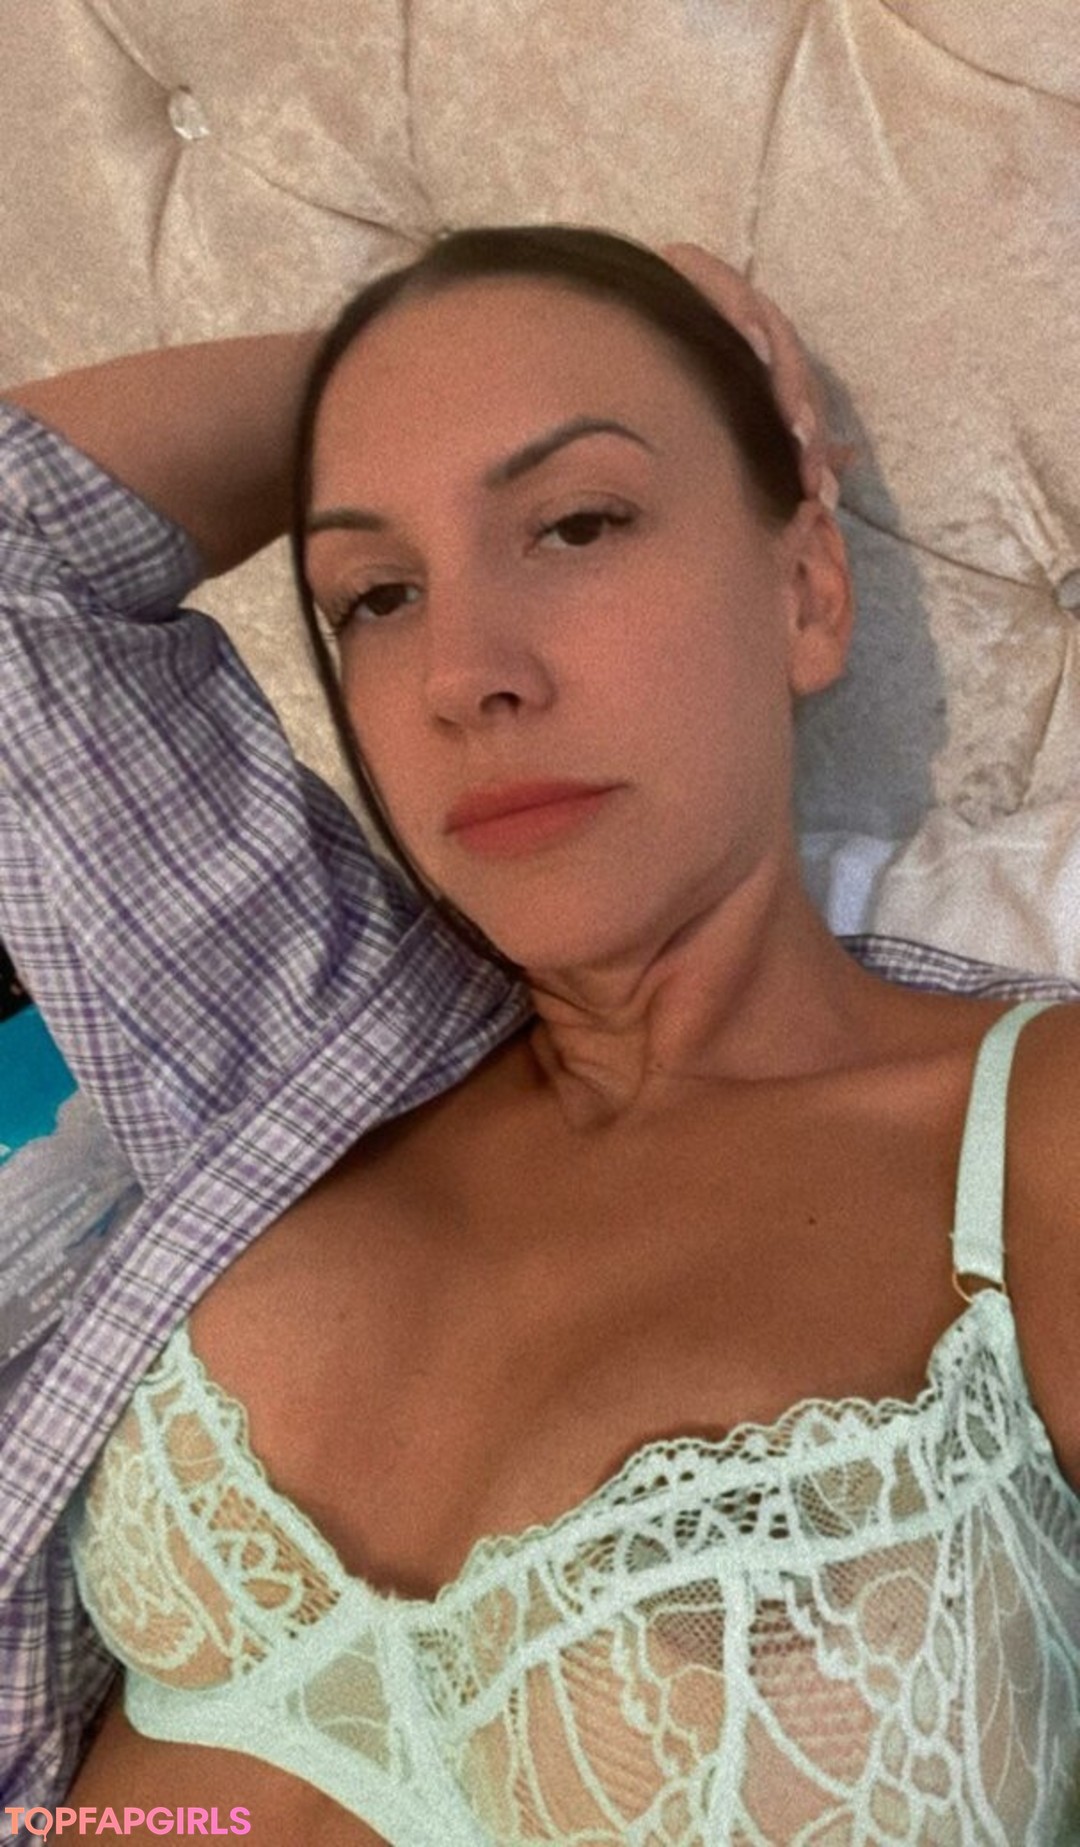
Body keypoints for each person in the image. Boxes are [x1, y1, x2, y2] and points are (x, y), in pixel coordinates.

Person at [1, 227, 1078, 1843]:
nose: (463, 675)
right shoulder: (306, 1039)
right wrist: (379, 375)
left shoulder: (1028, 1147)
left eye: (577, 522)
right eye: (376, 594)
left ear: (806, 591)